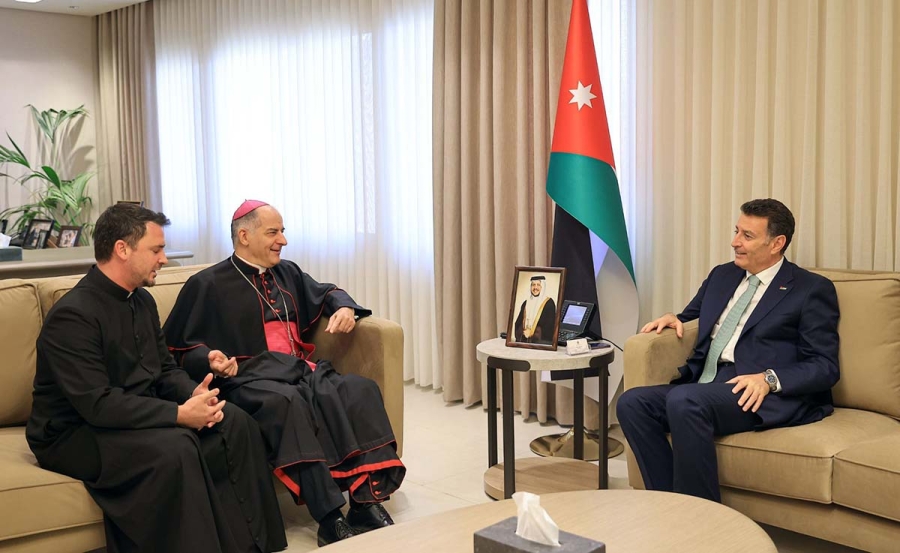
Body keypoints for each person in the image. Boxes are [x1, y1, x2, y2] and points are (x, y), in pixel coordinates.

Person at [26, 204, 287, 553]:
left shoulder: (143, 302)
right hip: (73, 432)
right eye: (156, 250)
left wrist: (195, 395)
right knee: (176, 448)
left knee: (235, 421)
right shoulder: (73, 315)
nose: (164, 259)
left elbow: (164, 370)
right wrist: (178, 415)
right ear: (122, 249)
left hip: (132, 413)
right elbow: (97, 405)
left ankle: (255, 546)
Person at [164, 200, 406, 546]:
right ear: (244, 236)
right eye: (273, 232)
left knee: (359, 389)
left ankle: (364, 502)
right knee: (287, 403)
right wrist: (209, 359)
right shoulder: (206, 284)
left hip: (298, 370)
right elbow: (176, 346)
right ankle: (329, 516)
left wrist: (344, 308)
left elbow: (327, 292)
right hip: (247, 379)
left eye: (283, 231)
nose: (283, 240)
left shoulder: (287, 272)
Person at [617, 199, 840, 503]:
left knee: (685, 399)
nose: (735, 242)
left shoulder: (810, 288)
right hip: (708, 382)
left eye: (747, 236)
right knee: (632, 402)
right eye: (737, 231)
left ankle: (701, 517)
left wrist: (769, 379)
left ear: (777, 243)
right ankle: (668, 505)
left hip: (757, 390)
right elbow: (690, 316)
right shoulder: (722, 276)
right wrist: (674, 318)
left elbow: (824, 366)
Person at [513, 275, 557, 344]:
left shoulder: (549, 303)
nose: (535, 288)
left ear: (542, 287)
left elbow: (549, 327)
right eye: (533, 285)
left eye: (538, 285)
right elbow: (518, 323)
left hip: (540, 343)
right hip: (524, 341)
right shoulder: (526, 303)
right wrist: (523, 332)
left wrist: (532, 333)